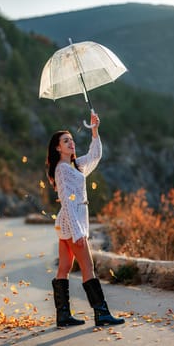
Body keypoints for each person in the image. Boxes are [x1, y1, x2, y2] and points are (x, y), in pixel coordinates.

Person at [46, 112, 125, 328]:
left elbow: (95, 155)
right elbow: (67, 202)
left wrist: (95, 130)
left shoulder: (76, 166)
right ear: (57, 148)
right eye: (66, 141)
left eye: (71, 139)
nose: (71, 143)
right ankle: (102, 313)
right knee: (87, 266)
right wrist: (79, 232)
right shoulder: (62, 170)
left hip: (67, 224)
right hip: (72, 224)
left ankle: (63, 316)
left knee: (64, 267)